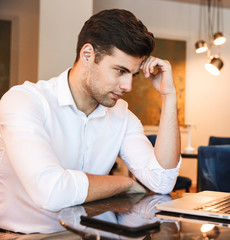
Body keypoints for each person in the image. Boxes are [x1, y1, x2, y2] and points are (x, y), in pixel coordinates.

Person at [0, 9, 181, 234]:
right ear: (87, 55)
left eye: (132, 75)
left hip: (91, 235)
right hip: (25, 237)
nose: (128, 86)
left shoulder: (122, 116)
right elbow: (51, 191)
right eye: (120, 70)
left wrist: (169, 95)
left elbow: (162, 181)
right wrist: (123, 183)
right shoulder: (24, 101)